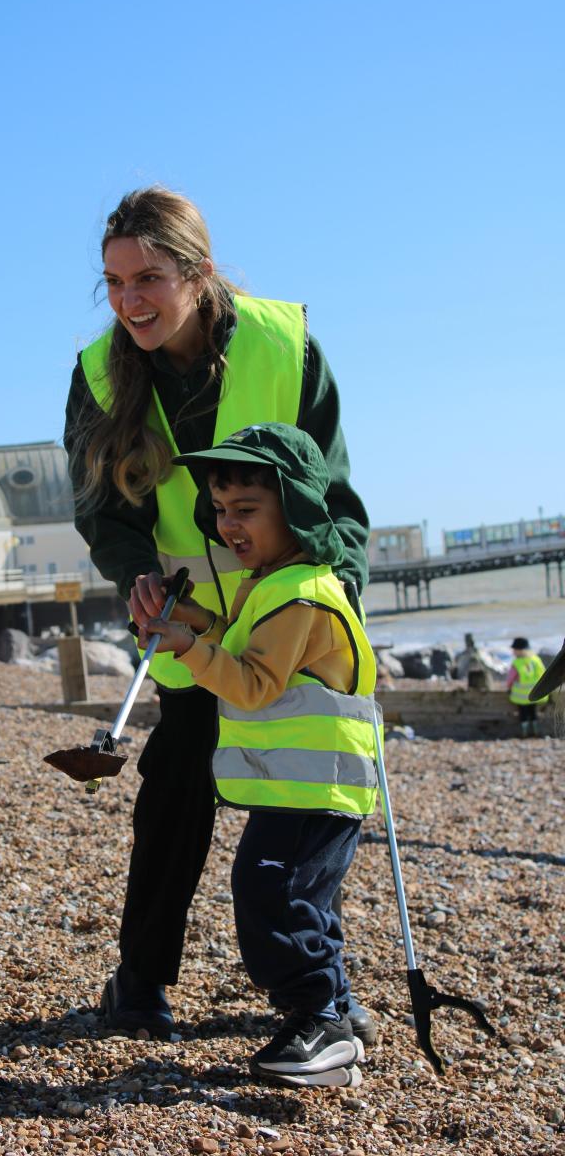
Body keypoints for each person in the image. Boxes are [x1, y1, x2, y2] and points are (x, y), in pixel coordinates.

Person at [63, 186, 375, 1045]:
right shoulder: (98, 374)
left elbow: (336, 496)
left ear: (198, 274)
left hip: (289, 614)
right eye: (115, 281)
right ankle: (139, 981)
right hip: (190, 621)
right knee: (176, 793)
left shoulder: (287, 345)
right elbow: (102, 510)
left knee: (315, 799)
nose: (130, 300)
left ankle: (325, 994)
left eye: (149, 278)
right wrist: (134, 577)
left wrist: (338, 601)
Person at [137, 422, 378, 1087]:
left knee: (270, 890)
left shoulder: (299, 595)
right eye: (219, 510)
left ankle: (319, 1022)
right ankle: (337, 1013)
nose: (228, 524)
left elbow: (252, 681)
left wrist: (188, 649)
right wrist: (196, 626)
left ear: (295, 508)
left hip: (314, 789)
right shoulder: (274, 582)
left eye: (247, 509)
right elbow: (242, 645)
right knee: (302, 901)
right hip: (307, 789)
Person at [507, 637, 548, 737]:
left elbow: (510, 679)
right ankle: (535, 731)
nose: (513, 652)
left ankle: (524, 733)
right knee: (533, 712)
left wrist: (508, 688)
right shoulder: (536, 660)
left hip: (521, 695)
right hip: (535, 693)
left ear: (519, 650)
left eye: (514, 650)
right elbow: (544, 673)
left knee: (523, 714)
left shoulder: (517, 663)